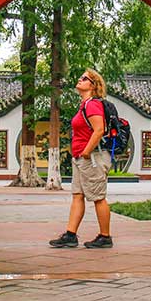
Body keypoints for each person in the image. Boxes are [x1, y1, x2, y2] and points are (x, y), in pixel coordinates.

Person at [48, 69, 113, 249]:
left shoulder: (92, 105)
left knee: (98, 197)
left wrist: (86, 151)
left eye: (84, 79)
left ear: (93, 85)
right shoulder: (84, 105)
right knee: (78, 195)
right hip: (81, 157)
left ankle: (105, 236)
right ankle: (70, 234)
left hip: (92, 157)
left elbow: (99, 130)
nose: (80, 79)